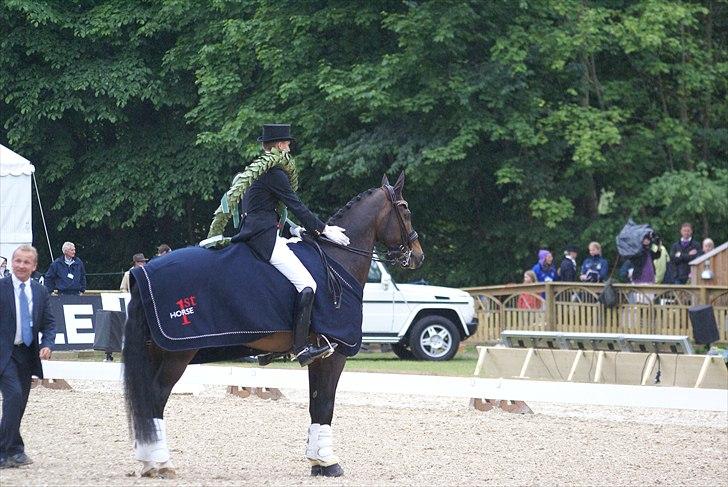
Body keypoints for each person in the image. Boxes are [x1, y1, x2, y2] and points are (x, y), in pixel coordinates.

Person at [211, 124, 350, 366]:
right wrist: (324, 229)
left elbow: (269, 209)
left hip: (261, 231)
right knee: (307, 284)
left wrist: (294, 228)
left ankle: (275, 347)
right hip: (263, 238)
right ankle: (300, 348)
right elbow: (295, 204)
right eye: (286, 143)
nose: (289, 146)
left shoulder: (260, 172)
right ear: (277, 146)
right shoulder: (274, 172)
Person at [0, 244, 56, 469]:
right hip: (5, 353)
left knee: (20, 403)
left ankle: (14, 448)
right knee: (13, 396)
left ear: (34, 266)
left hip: (27, 354)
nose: (21, 265)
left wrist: (47, 344)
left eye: (26, 262)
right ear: (12, 263)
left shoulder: (40, 291)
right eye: (17, 261)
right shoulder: (1, 288)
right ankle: (4, 450)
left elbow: (49, 323)